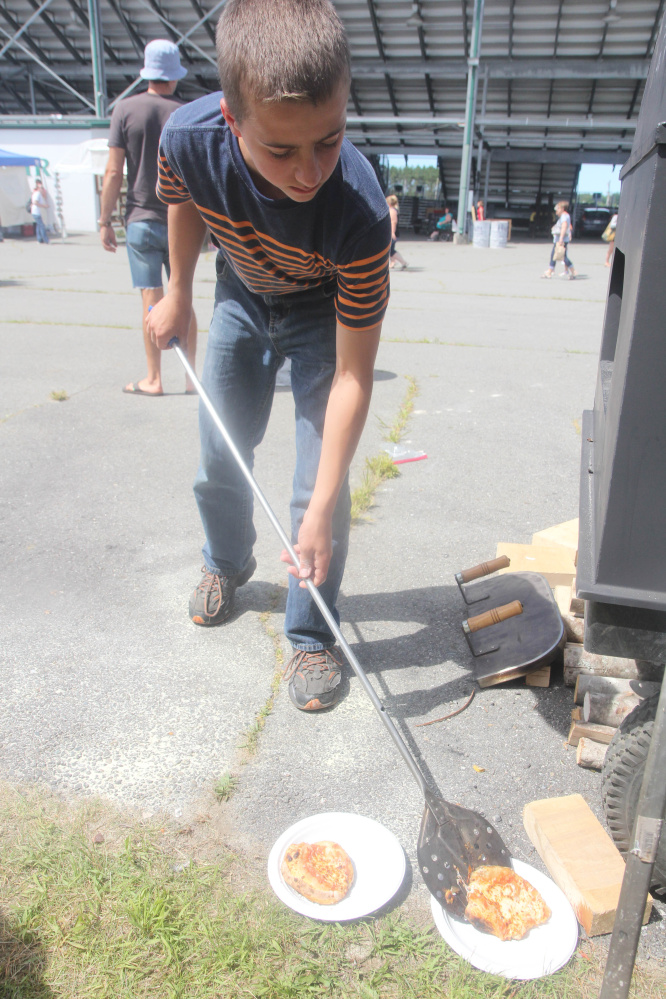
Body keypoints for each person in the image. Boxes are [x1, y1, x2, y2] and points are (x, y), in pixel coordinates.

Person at [148, 0, 391, 713]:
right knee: (220, 454)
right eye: (280, 150)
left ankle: (312, 628)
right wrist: (178, 292)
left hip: (323, 311)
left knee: (321, 484)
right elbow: (185, 199)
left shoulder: (360, 211)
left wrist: (318, 507)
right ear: (232, 118)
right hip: (240, 295)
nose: (310, 170)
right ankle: (227, 561)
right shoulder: (188, 136)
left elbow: (353, 375)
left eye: (329, 138)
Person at [99, 39, 198, 396]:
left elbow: (113, 171)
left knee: (151, 301)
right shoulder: (186, 113)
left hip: (140, 218)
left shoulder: (125, 109)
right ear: (174, 76)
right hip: (180, 220)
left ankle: (154, 379)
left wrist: (104, 220)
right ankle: (192, 380)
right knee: (181, 296)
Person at [542, 200, 576, 280]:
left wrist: (561, 238)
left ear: (563, 208)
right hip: (560, 239)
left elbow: (564, 227)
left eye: (558, 208)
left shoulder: (564, 216)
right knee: (554, 255)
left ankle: (573, 271)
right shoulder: (565, 216)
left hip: (561, 240)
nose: (556, 210)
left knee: (563, 257)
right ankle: (550, 271)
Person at [386, 194, 408, 270]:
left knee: (390, 250)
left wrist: (392, 233)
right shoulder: (392, 210)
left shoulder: (392, 211)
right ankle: (393, 262)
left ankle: (404, 262)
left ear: (389, 203)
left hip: (392, 233)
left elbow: (393, 222)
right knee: (390, 249)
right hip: (391, 232)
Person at [30, 179, 50, 244]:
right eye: (41, 188)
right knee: (41, 226)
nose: (43, 190)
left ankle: (39, 239)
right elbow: (35, 202)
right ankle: (46, 239)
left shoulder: (37, 193)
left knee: (39, 225)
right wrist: (44, 206)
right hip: (36, 212)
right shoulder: (37, 194)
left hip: (36, 212)